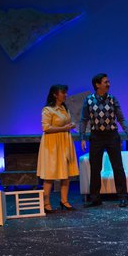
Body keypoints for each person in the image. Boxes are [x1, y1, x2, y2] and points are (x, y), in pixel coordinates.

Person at [79, 73, 128, 208]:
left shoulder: (112, 99)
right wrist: (82, 137)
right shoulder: (89, 100)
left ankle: (122, 197)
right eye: (106, 82)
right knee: (95, 168)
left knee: (118, 167)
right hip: (96, 137)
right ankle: (95, 198)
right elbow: (84, 120)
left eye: (108, 82)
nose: (108, 84)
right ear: (97, 85)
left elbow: (121, 118)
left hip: (112, 136)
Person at [36, 84, 79, 213]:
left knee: (66, 174)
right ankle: (46, 203)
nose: (66, 95)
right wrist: (64, 128)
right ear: (55, 94)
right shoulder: (48, 110)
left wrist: (71, 125)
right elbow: (46, 128)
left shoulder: (64, 108)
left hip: (64, 142)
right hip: (52, 145)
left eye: (66, 92)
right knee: (50, 175)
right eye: (63, 92)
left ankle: (64, 201)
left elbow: (66, 123)